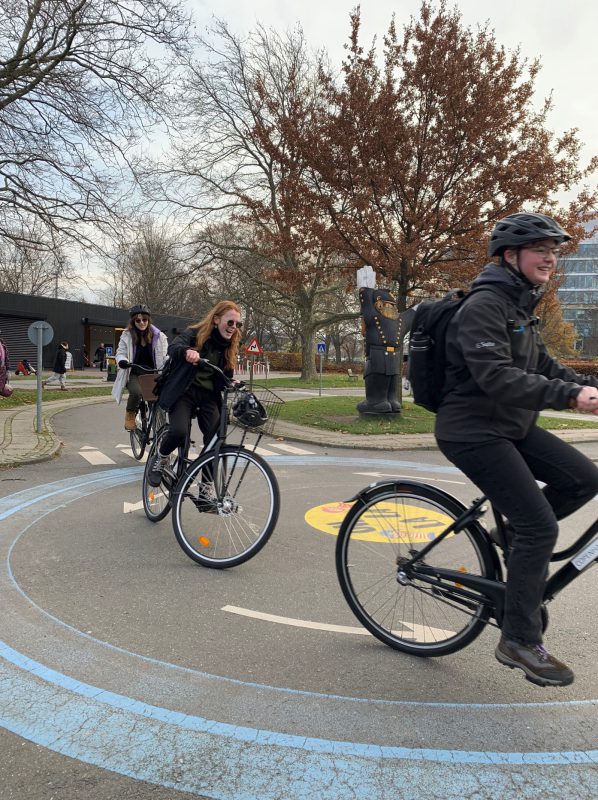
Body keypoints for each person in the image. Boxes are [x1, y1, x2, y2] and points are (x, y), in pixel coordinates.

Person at [435, 212, 598, 688]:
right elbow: (497, 376)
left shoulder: (520, 304)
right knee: (539, 525)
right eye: (540, 249)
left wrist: (586, 386)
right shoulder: (485, 304)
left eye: (554, 249)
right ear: (510, 256)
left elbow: (543, 365)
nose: (550, 257)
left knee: (586, 478)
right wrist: (571, 398)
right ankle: (519, 639)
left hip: (510, 425)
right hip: (473, 431)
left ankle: (508, 539)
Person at [147, 300, 242, 486]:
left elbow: (224, 376)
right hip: (184, 392)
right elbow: (173, 348)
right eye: (230, 322)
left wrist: (231, 382)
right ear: (216, 319)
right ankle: (161, 458)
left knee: (215, 441)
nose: (233, 328)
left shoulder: (229, 347)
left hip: (208, 397)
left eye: (238, 324)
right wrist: (187, 351)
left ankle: (205, 489)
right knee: (178, 431)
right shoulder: (194, 334)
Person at [112, 305, 169, 431]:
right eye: (138, 320)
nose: (142, 323)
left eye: (144, 320)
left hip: (153, 373)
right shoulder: (127, 335)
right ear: (133, 322)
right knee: (136, 392)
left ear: (148, 320)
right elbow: (120, 352)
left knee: (158, 399)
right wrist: (122, 361)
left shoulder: (159, 336)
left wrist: (170, 361)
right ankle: (130, 415)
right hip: (135, 372)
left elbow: (164, 356)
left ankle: (161, 428)